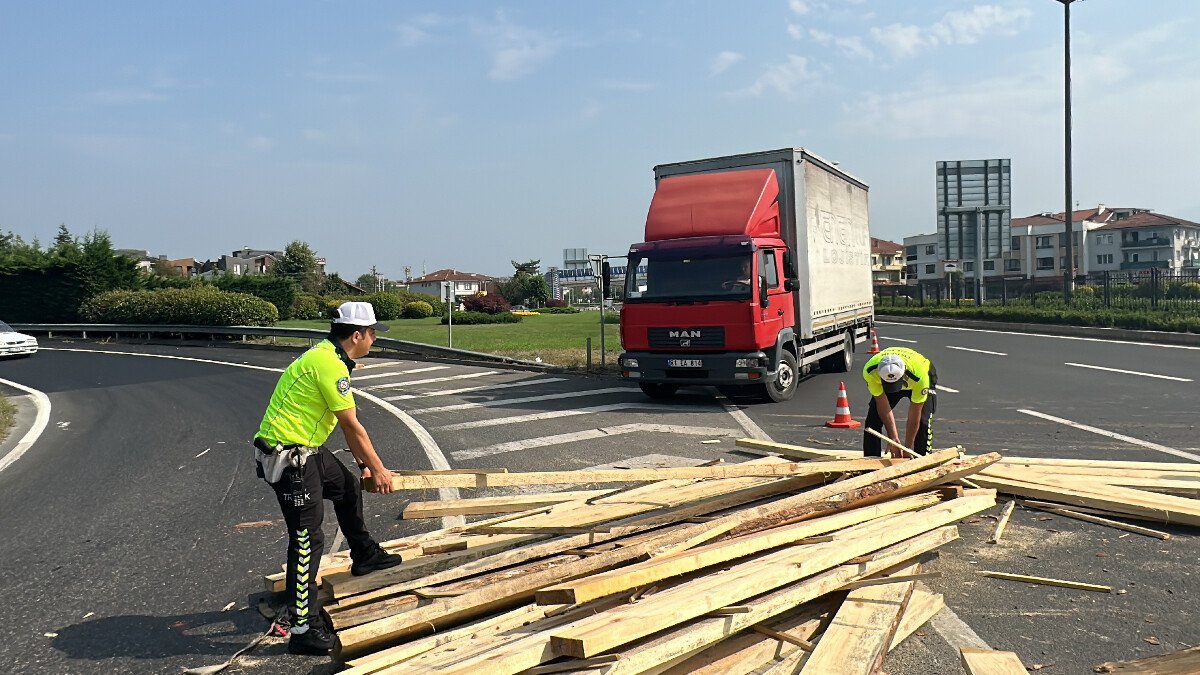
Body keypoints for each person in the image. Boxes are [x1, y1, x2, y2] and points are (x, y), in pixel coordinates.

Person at [253, 301, 404, 656]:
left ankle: (364, 554)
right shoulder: (328, 364)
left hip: (309, 449)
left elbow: (330, 421)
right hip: (289, 458)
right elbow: (352, 426)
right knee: (307, 539)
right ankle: (304, 629)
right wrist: (378, 469)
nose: (373, 341)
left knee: (348, 487)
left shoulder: (328, 357)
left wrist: (364, 464)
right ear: (357, 335)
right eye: (371, 334)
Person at [861, 346, 937, 458]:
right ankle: (870, 461)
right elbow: (883, 407)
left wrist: (907, 448)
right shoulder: (870, 372)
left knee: (923, 421)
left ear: (904, 371)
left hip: (918, 379)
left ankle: (922, 459)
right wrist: (893, 439)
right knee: (873, 419)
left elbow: (914, 414)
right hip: (896, 377)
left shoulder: (919, 375)